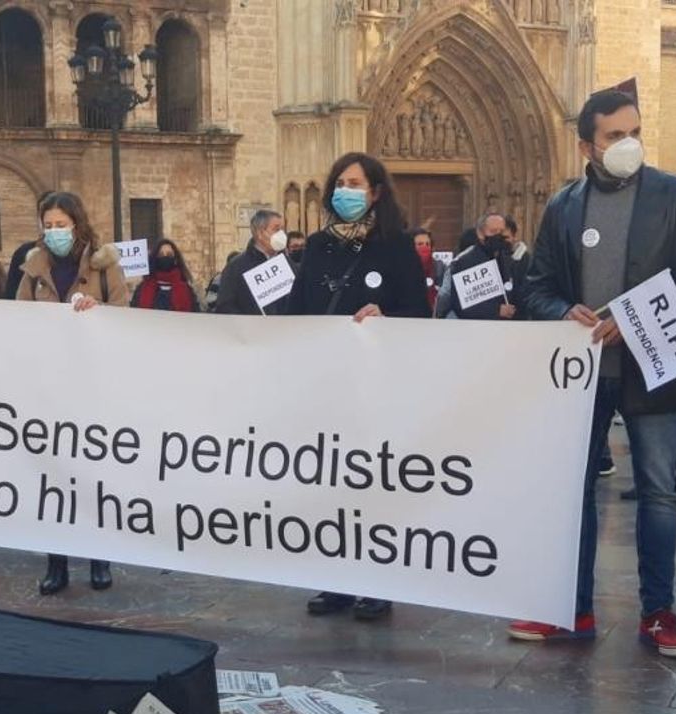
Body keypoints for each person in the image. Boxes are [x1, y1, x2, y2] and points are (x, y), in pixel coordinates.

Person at [509, 89, 676, 658]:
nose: (628, 143)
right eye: (613, 135)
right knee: (573, 492)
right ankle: (572, 608)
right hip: (585, 376)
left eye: (634, 131)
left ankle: (658, 614)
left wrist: (633, 320)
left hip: (655, 370)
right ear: (586, 145)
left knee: (657, 490)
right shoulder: (563, 205)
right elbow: (536, 287)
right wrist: (561, 311)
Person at [283, 151, 431, 622]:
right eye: (339, 183)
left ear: (375, 193)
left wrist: (385, 318)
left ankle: (376, 582)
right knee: (329, 484)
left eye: (355, 183)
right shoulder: (319, 246)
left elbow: (419, 313)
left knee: (370, 484)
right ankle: (337, 580)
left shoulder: (396, 247)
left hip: (375, 386)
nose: (344, 191)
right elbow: (296, 310)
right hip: (326, 385)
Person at [17, 190, 130, 594]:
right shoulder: (32, 268)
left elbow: (123, 313)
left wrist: (97, 315)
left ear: (77, 224)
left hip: (93, 384)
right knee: (52, 474)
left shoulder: (104, 265)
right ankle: (57, 562)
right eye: (47, 225)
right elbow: (18, 318)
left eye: (60, 225)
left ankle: (100, 559)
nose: (54, 232)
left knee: (93, 473)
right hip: (50, 385)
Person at [434, 212, 521, 320]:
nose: (498, 235)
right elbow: (460, 303)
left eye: (501, 231)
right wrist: (496, 310)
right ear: (480, 233)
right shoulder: (464, 261)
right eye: (493, 231)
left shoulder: (510, 259)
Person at [214, 209, 288, 315]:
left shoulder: (288, 264)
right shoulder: (236, 267)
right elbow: (225, 306)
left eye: (282, 229)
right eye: (276, 229)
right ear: (260, 233)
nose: (282, 234)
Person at [132, 239, 200, 312]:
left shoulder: (187, 290)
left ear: (175, 259)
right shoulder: (142, 288)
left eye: (169, 254)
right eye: (161, 255)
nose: (165, 257)